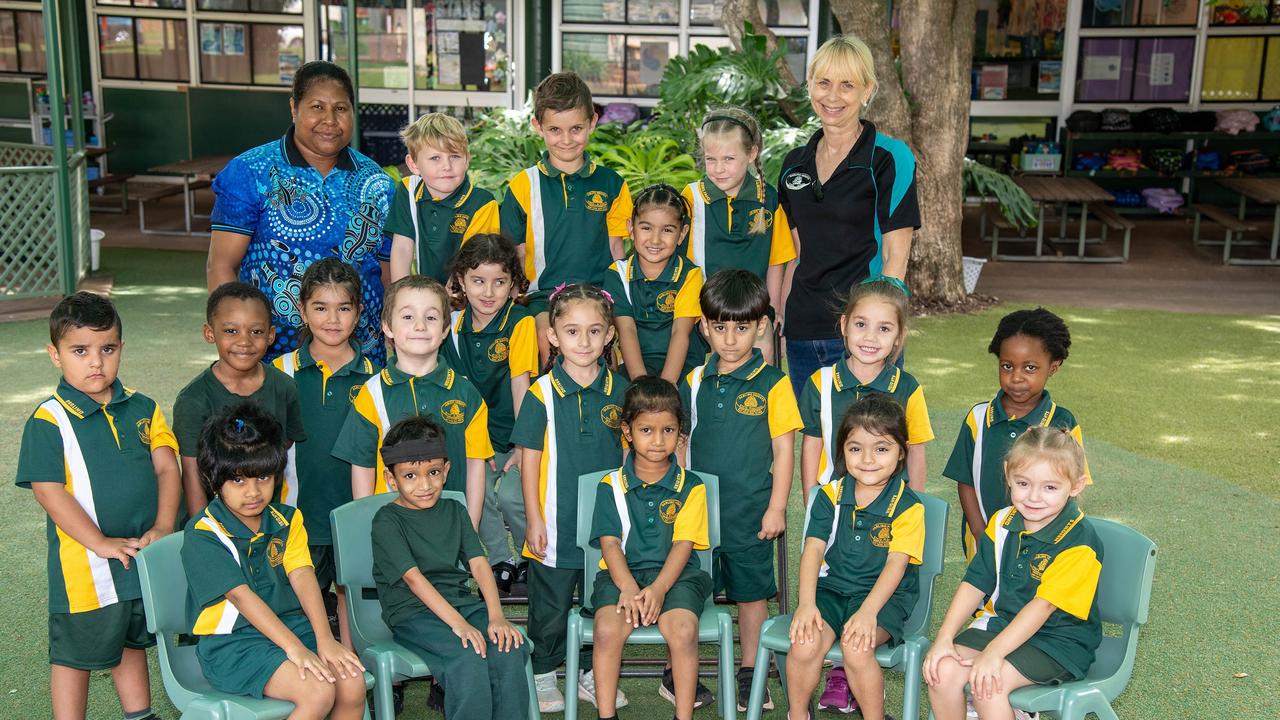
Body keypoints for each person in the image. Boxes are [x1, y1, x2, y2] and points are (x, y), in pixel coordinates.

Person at [16, 292, 181, 720]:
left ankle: (139, 714)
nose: (96, 363)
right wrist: (100, 542)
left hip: (139, 554)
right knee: (76, 652)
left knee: (131, 640)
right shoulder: (48, 420)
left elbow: (167, 470)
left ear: (121, 348)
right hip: (84, 570)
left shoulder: (144, 408)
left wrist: (163, 527)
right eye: (80, 351)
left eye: (107, 349)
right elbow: (49, 491)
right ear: (55, 355)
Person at [181, 402, 366, 717]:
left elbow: (303, 574)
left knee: (353, 682)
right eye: (238, 480)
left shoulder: (287, 519)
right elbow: (241, 598)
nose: (253, 491)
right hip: (232, 646)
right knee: (318, 691)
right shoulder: (203, 533)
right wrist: (294, 649)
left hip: (293, 627)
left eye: (263, 477)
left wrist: (325, 639)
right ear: (214, 480)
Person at [206, 60, 395, 365]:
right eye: (317, 107)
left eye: (341, 109)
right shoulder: (251, 172)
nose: (330, 120)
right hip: (273, 357)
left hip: (361, 358)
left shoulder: (377, 183)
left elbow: (389, 274)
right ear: (294, 108)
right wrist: (235, 345)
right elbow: (221, 266)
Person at [680, 269, 801, 713]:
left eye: (742, 327)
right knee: (692, 592)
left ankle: (752, 673)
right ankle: (681, 674)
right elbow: (681, 443)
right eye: (720, 327)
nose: (730, 339)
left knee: (752, 597)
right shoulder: (694, 381)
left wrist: (777, 507)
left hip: (751, 514)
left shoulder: (775, 384)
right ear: (704, 328)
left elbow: (784, 451)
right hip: (697, 517)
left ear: (761, 326)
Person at [925, 427, 1103, 720]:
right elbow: (975, 581)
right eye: (1023, 483)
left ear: (1076, 485)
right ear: (1008, 473)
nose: (1033, 497)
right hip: (1003, 626)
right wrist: (945, 636)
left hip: (1058, 642)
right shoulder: (1002, 521)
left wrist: (993, 654)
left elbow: (1042, 607)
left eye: (1050, 487)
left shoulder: (1079, 541)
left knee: (988, 685)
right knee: (942, 670)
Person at [777, 35, 920, 399]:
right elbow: (796, 253)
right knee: (815, 443)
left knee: (871, 445)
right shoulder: (794, 164)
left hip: (864, 332)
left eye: (847, 85)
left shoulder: (889, 157)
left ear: (867, 89)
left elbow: (895, 257)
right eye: (823, 83)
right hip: (803, 329)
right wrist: (780, 319)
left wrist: (878, 331)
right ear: (809, 84)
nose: (832, 96)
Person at [510, 284, 630, 712]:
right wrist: (534, 520)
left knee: (603, 605)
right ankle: (543, 673)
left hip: (606, 529)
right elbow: (529, 462)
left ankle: (589, 673)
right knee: (550, 608)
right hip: (555, 525)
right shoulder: (540, 394)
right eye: (573, 331)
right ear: (554, 337)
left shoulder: (622, 392)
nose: (585, 341)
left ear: (610, 335)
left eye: (595, 331)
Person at [372, 415, 529, 720]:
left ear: (446, 471)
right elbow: (414, 580)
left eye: (433, 472)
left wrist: (496, 617)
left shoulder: (455, 510)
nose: (425, 485)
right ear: (392, 479)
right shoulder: (386, 520)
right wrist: (459, 625)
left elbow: (480, 563)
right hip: (413, 613)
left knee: (509, 646)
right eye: (410, 476)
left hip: (460, 605)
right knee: (468, 654)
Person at [786, 394, 926, 720]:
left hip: (883, 598)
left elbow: (896, 564)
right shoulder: (830, 495)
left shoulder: (908, 506)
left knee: (857, 647)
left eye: (881, 448)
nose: (867, 459)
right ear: (842, 451)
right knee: (805, 644)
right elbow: (813, 550)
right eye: (855, 448)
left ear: (901, 452)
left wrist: (868, 613)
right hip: (832, 590)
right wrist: (806, 605)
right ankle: (797, 715)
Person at [589, 377, 713, 720]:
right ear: (627, 431)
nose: (658, 441)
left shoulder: (692, 485)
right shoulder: (610, 485)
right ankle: (606, 715)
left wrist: (658, 589)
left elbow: (683, 545)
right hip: (620, 576)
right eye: (647, 430)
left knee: (683, 630)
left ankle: (683, 715)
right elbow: (609, 543)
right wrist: (629, 588)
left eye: (668, 431)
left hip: (678, 577)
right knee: (606, 630)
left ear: (679, 432)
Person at [272, 258, 377, 646]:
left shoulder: (377, 379)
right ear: (302, 310)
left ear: (359, 313)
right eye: (320, 307)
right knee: (303, 604)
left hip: (356, 515)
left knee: (357, 597)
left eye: (344, 308)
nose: (332, 319)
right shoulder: (280, 373)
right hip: (299, 517)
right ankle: (315, 678)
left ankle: (362, 676)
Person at [331, 275, 493, 526]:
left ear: (445, 330)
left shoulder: (466, 393)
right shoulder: (372, 393)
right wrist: (368, 528)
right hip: (393, 532)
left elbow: (475, 466)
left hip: (451, 530)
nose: (420, 326)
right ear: (387, 326)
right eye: (408, 317)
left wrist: (470, 527)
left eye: (430, 317)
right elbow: (362, 467)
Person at [500, 71, 633, 361]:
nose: (566, 140)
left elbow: (616, 251)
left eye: (576, 129)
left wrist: (619, 305)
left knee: (603, 370)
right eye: (555, 130)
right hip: (542, 300)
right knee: (548, 360)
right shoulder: (523, 186)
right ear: (538, 126)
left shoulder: (612, 184)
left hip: (599, 296)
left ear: (593, 123)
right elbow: (516, 258)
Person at [943, 307, 1089, 559]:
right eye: (1007, 366)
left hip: (1042, 545)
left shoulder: (1063, 422)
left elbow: (1071, 488)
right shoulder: (978, 418)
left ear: (1053, 367)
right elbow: (964, 480)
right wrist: (981, 533)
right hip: (983, 539)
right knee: (982, 596)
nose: (1016, 377)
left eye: (1030, 368)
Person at [442, 235, 540, 596]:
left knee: (514, 497)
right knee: (478, 495)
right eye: (478, 281)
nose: (488, 292)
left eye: (499, 282)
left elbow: (521, 385)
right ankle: (502, 560)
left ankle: (532, 554)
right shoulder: (451, 327)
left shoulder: (521, 322)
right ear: (460, 283)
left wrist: (522, 445)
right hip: (474, 439)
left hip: (514, 432)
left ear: (513, 285)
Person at [173, 281, 306, 515]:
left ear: (271, 335)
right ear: (209, 332)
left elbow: (281, 449)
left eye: (256, 332)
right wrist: (203, 530)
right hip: (213, 521)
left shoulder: (285, 388)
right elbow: (192, 473)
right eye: (231, 331)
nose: (244, 342)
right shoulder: (193, 400)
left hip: (267, 517)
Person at [799, 279, 933, 499]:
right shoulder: (820, 383)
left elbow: (916, 451)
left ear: (899, 337)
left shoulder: (908, 388)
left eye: (884, 328)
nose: (870, 337)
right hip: (834, 503)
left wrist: (917, 504)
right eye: (861, 324)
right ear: (844, 325)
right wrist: (810, 500)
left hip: (892, 508)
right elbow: (811, 446)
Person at [681, 107, 796, 361]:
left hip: (753, 309)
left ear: (752, 153)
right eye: (711, 159)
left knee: (763, 360)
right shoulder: (693, 197)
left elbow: (776, 261)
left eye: (729, 159)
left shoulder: (768, 200)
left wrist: (773, 308)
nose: (718, 168)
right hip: (704, 309)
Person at [603, 183, 708, 384]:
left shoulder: (690, 274)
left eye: (667, 230)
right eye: (646, 228)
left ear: (682, 234)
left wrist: (667, 385)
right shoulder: (617, 274)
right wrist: (641, 383)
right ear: (631, 229)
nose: (655, 239)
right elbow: (627, 331)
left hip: (683, 365)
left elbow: (680, 332)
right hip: (636, 366)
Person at [386, 112, 501, 283]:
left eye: (455, 156)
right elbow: (402, 248)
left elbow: (472, 264)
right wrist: (400, 296)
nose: (446, 166)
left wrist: (445, 302)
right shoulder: (408, 190)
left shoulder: (482, 203)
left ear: (467, 159)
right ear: (413, 164)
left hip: (464, 297)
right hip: (423, 298)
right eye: (435, 158)